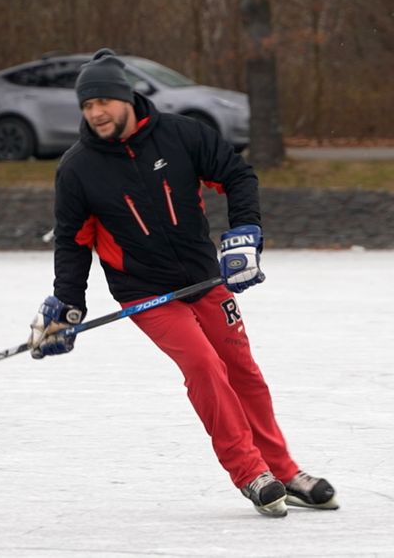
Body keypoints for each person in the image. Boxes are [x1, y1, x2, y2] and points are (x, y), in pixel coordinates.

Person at [27, 48, 337, 518]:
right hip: (145, 294)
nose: (96, 114)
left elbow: (236, 175)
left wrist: (244, 233)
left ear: (126, 97)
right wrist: (68, 306)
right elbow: (73, 243)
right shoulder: (77, 168)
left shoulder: (180, 135)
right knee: (204, 366)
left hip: (205, 279)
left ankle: (284, 469)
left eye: (103, 102)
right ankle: (250, 473)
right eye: (87, 107)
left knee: (244, 371)